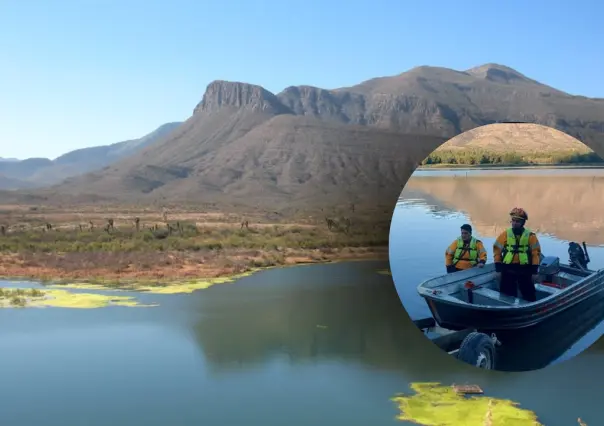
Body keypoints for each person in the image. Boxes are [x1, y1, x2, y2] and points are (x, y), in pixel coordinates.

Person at [493, 207, 542, 302]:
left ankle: (530, 308)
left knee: (528, 294)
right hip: (508, 268)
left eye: (517, 221)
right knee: (506, 294)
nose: (515, 223)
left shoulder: (531, 237)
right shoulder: (505, 234)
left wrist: (535, 272)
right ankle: (506, 309)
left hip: (525, 269)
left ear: (523, 223)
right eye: (513, 221)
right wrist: (498, 269)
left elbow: (535, 254)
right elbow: (497, 251)